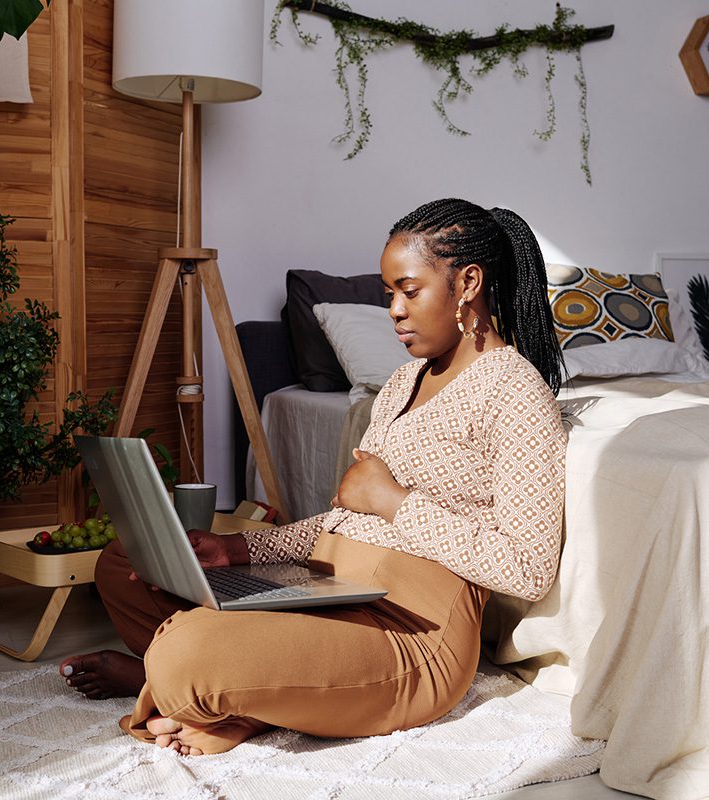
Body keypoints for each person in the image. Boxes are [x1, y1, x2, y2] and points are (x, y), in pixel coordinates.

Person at [60, 198, 567, 756]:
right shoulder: (403, 381)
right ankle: (229, 693)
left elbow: (527, 568)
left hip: (409, 634)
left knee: (187, 650)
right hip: (326, 589)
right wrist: (241, 550)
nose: (394, 309)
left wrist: (394, 501)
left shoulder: (517, 393)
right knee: (125, 562)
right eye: (388, 293)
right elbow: (350, 517)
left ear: (467, 283)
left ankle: (169, 681)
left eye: (409, 290)